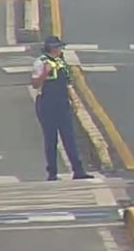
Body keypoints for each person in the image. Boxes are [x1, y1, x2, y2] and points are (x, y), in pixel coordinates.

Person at [30, 36, 93, 181]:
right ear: (52, 48)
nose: (60, 50)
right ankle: (52, 173)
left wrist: (74, 101)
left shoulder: (61, 62)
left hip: (62, 103)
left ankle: (78, 170)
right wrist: (45, 73)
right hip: (47, 104)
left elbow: (67, 83)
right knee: (51, 139)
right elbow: (34, 84)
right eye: (58, 47)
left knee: (69, 138)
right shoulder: (41, 62)